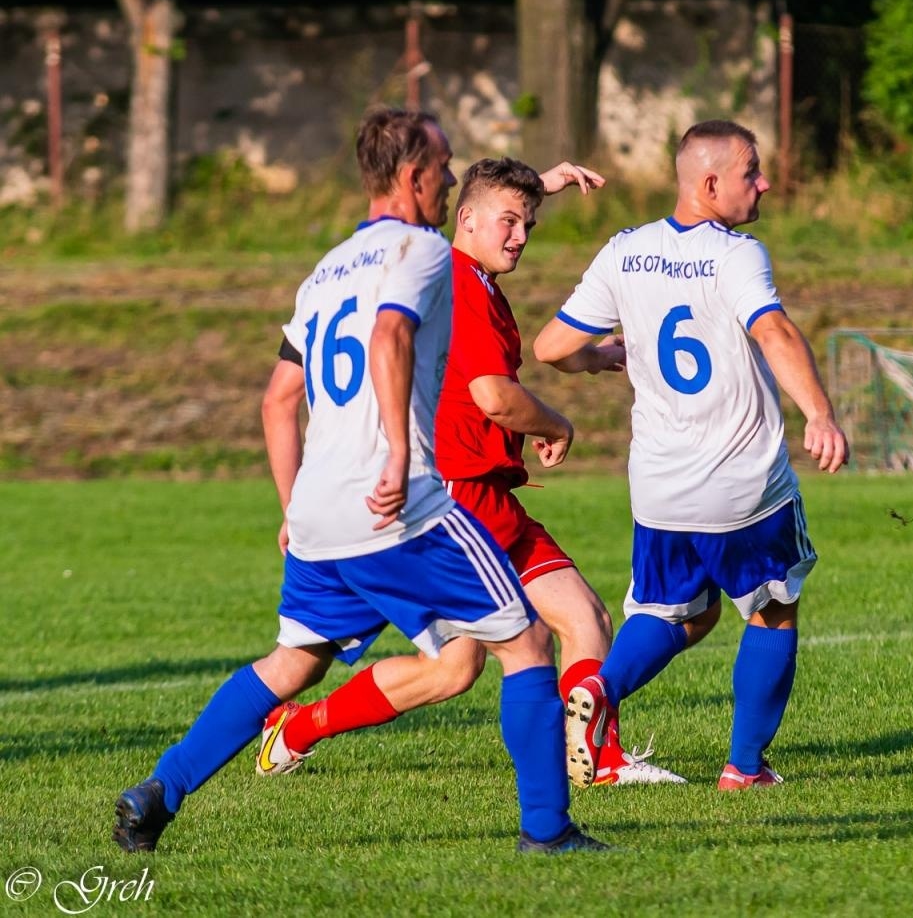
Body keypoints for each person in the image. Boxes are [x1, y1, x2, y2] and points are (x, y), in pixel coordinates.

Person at [113, 108, 602, 854]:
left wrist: (292, 508)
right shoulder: (424, 250)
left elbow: (279, 401)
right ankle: (549, 832)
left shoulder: (324, 273)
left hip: (318, 511)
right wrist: (402, 459)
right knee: (528, 644)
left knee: (292, 664)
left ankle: (160, 789)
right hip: (399, 504)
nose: (446, 181)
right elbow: (390, 333)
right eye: (442, 169)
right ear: (413, 178)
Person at [257, 155, 684, 787]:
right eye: (510, 223)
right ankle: (590, 770)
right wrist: (555, 426)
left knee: (484, 657)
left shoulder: (458, 272)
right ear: (466, 220)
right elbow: (493, 395)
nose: (520, 235)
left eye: (529, 225)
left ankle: (293, 729)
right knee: (537, 635)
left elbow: (482, 201)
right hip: (460, 499)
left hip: (474, 490)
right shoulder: (460, 281)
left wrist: (546, 185)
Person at [531, 119, 848, 790]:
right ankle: (745, 767)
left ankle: (595, 693)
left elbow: (550, 347)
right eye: (751, 172)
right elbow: (776, 332)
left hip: (659, 488)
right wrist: (819, 413)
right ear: (709, 184)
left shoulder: (625, 250)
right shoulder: (736, 254)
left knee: (687, 612)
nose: (763, 183)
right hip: (740, 482)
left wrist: (597, 358)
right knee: (773, 607)